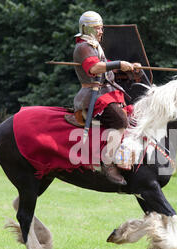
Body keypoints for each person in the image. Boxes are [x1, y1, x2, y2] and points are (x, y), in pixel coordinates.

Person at [67, 11, 141, 186]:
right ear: (87, 29)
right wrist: (118, 63)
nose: (101, 31)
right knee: (120, 120)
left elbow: (106, 68)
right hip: (93, 95)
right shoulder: (83, 47)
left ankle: (124, 158)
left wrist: (128, 67)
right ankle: (107, 163)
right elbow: (94, 68)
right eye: (97, 28)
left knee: (131, 117)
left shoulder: (93, 45)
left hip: (106, 92)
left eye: (101, 28)